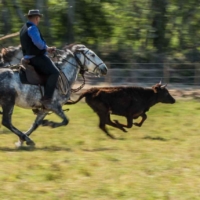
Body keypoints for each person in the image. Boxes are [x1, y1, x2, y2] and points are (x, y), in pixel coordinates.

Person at [20, 9, 60, 109]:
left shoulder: (23, 28)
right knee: (55, 72)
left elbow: (37, 42)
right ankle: (47, 99)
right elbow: (38, 43)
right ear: (37, 18)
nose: (39, 20)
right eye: (39, 18)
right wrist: (46, 48)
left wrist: (47, 48)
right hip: (36, 57)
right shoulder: (33, 28)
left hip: (28, 57)